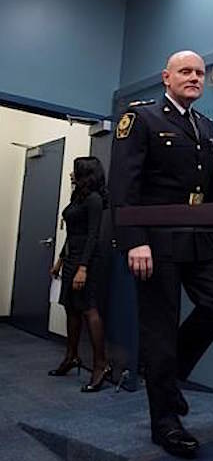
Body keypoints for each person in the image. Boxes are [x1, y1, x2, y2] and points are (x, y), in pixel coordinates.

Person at [109, 50, 213, 458]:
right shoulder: (142, 118)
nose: (195, 77)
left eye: (199, 72)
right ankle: (165, 423)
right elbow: (124, 186)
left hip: (198, 237)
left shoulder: (208, 126)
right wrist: (134, 240)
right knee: (160, 330)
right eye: (186, 71)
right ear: (166, 77)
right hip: (155, 241)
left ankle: (167, 378)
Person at [49, 156, 111, 392]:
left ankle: (100, 365)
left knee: (88, 309)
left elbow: (93, 236)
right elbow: (73, 233)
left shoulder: (95, 200)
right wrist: (60, 262)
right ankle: (71, 357)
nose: (71, 174)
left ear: (86, 173)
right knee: (71, 308)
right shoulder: (78, 197)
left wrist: (82, 268)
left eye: (75, 170)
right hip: (72, 258)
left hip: (88, 261)